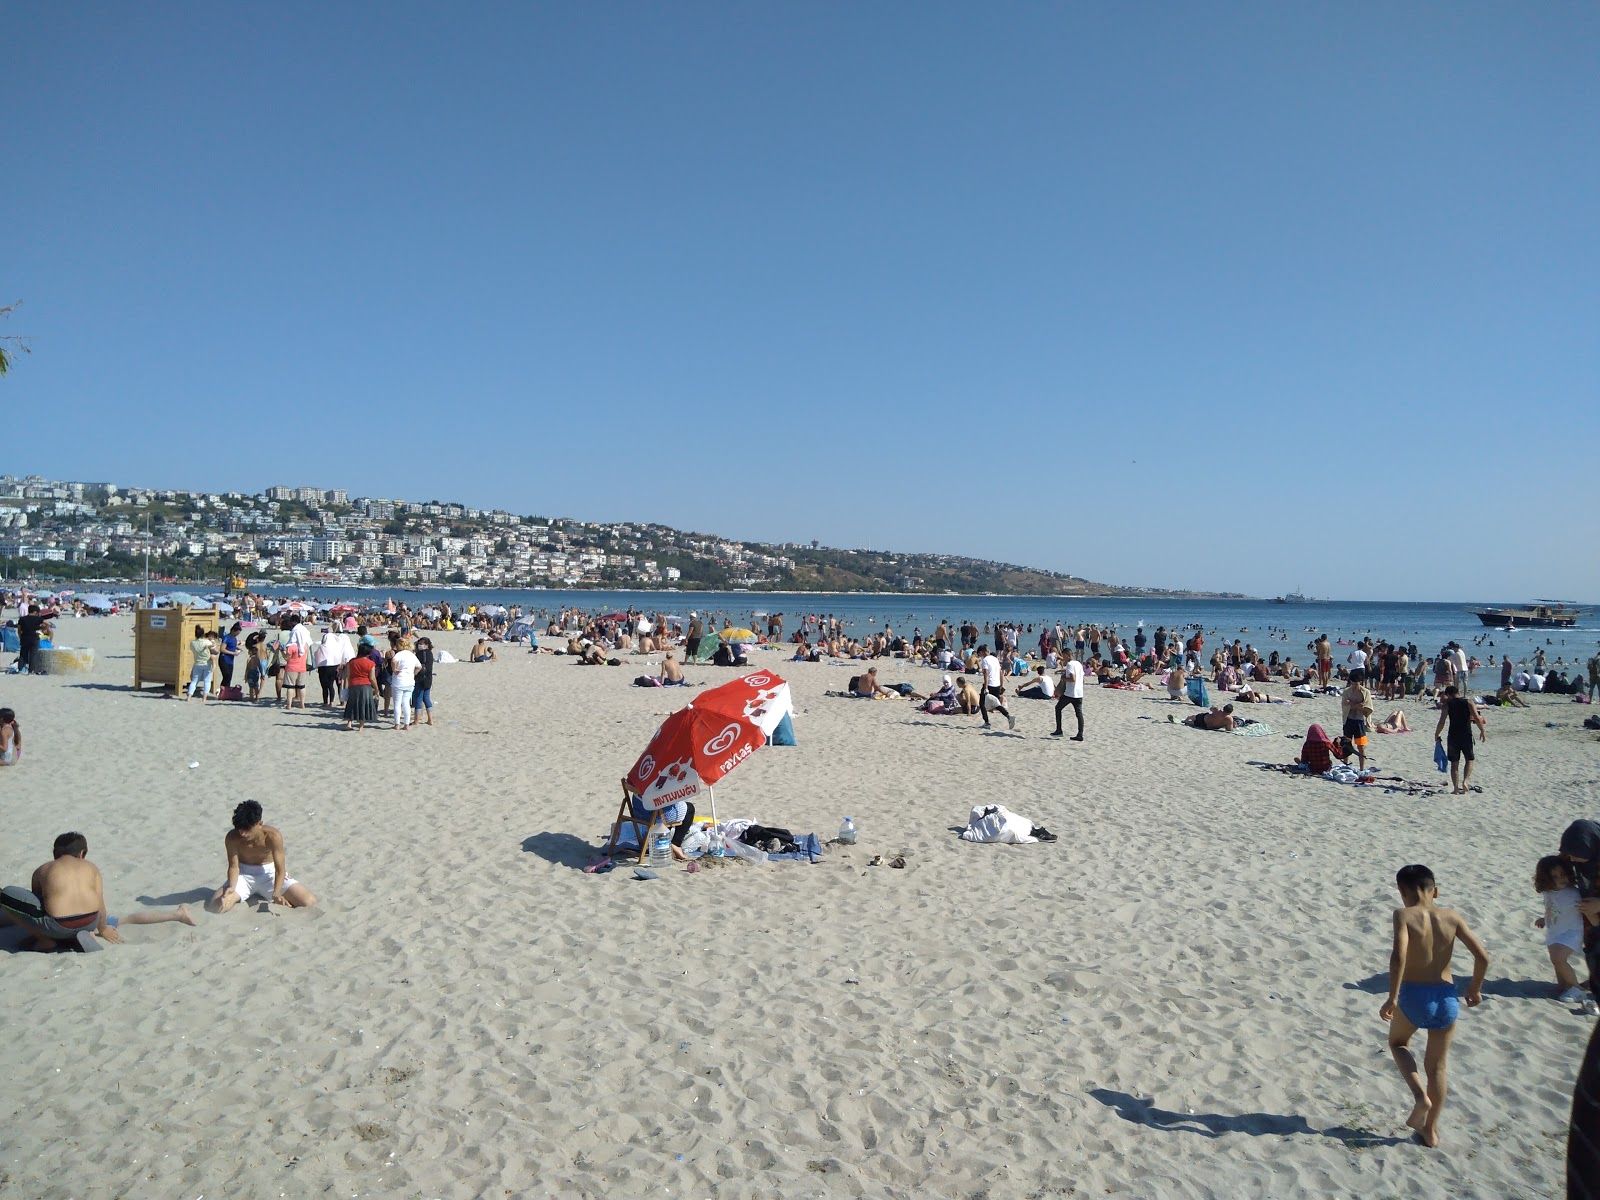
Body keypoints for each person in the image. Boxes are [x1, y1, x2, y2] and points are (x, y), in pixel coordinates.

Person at [1379, 863, 1489, 1148]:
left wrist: (1392, 996)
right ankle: (1431, 1131)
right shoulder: (1451, 916)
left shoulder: (1403, 914)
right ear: (1435, 891)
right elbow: (1483, 957)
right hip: (1447, 997)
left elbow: (1398, 957)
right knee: (1438, 1067)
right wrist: (1474, 988)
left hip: (1414, 995)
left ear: (1402, 892)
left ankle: (1419, 1097)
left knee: (1398, 1044)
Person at [1, 832, 122, 951]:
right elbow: (100, 902)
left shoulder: (44, 869)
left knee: (5, 894)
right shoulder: (92, 867)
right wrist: (103, 930)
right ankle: (78, 935)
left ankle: (45, 940)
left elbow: (38, 906)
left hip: (59, 926)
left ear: (55, 854)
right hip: (91, 921)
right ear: (81, 853)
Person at [206, 800, 317, 912]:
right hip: (243, 874)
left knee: (309, 901)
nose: (242, 834)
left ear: (259, 824)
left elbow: (280, 870)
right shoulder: (232, 837)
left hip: (269, 874)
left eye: (247, 829)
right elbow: (234, 866)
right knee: (216, 907)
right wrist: (231, 887)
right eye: (240, 829)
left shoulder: (273, 836)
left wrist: (276, 893)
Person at [1533, 855, 1588, 1003]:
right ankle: (1565, 986)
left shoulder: (1573, 894)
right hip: (1554, 930)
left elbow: (1586, 910)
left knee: (1559, 958)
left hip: (1572, 932)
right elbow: (1553, 909)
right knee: (1556, 962)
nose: (1560, 879)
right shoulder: (1549, 892)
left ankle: (1577, 989)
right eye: (1554, 876)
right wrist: (1544, 919)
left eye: (1562, 874)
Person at [1561, 821, 1600, 1012]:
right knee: (1592, 948)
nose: (1572, 859)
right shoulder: (1573, 857)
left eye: (1576, 854)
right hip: (1590, 913)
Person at [1432, 685, 1487, 796]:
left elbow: (1442, 721)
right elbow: (1476, 718)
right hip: (1466, 734)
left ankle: (1456, 789)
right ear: (1458, 692)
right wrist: (1482, 731)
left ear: (1449, 695)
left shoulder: (1447, 705)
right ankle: (1465, 781)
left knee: (1454, 763)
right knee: (1469, 759)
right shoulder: (1469, 702)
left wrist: (1437, 734)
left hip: (1453, 736)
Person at [977, 645, 1015, 731]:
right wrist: (1001, 685)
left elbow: (986, 674)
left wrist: (986, 688)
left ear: (981, 652)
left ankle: (987, 723)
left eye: (979, 653)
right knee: (996, 704)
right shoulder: (995, 659)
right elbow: (1000, 673)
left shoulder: (985, 660)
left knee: (982, 703)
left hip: (989, 684)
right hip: (997, 684)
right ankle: (1009, 716)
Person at [1341, 668, 1373, 770]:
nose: (1355, 686)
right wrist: (1356, 705)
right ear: (1350, 682)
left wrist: (1352, 704)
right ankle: (1345, 764)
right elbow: (1344, 705)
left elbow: (1368, 707)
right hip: (1348, 720)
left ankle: (1362, 768)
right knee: (1346, 745)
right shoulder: (1347, 691)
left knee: (1361, 746)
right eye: (1354, 684)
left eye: (1357, 684)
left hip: (1359, 721)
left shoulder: (1365, 692)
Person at [343, 645, 378, 731]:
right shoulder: (371, 663)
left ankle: (349, 723)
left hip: (353, 684)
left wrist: (346, 686)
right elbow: (372, 678)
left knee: (351, 704)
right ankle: (361, 726)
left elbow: (348, 675)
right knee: (364, 705)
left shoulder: (352, 662)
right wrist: (376, 688)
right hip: (365, 686)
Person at [389, 638, 422, 730]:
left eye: (398, 645)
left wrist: (394, 669)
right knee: (406, 703)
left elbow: (393, 661)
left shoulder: (399, 654)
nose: (396, 646)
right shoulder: (412, 655)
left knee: (397, 703)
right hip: (410, 681)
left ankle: (397, 724)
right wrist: (413, 673)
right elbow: (419, 666)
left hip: (399, 681)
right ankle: (406, 724)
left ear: (401, 645)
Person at [1053, 654, 1085, 740]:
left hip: (1070, 693)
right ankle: (1080, 734)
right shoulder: (1078, 664)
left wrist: (1064, 679)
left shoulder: (1070, 664)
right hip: (1079, 693)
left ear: (1067, 655)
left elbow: (1072, 679)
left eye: (1063, 656)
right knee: (1079, 713)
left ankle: (1059, 730)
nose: (1063, 658)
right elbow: (1082, 679)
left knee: (1058, 708)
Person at [185, 625, 216, 702]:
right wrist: (213, 643)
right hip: (207, 663)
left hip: (197, 663)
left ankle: (189, 697)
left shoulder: (192, 643)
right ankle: (204, 698)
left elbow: (193, 650)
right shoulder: (207, 642)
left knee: (194, 681)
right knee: (207, 681)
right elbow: (214, 649)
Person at [411, 636, 437, 725]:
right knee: (426, 698)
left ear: (427, 645)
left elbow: (420, 665)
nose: (419, 645)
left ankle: (416, 720)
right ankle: (430, 719)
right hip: (428, 678)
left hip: (421, 678)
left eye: (421, 644)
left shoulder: (422, 653)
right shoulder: (430, 653)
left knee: (418, 698)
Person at [218, 622, 242, 692]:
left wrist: (237, 648)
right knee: (226, 676)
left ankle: (226, 691)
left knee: (229, 677)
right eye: (237, 633)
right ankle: (222, 691)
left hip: (230, 660)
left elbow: (232, 645)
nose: (237, 635)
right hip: (224, 659)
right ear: (233, 631)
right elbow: (222, 649)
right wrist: (233, 653)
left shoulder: (234, 639)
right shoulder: (226, 637)